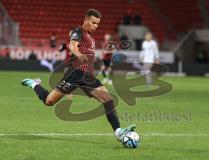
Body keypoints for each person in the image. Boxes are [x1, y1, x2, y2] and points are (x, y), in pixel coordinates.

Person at [21, 9, 135, 143]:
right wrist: (81, 57)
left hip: (88, 77)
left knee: (108, 99)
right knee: (49, 102)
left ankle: (118, 132)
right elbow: (73, 46)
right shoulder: (78, 31)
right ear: (86, 19)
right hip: (74, 74)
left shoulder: (92, 39)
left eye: (97, 24)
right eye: (93, 22)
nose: (95, 26)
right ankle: (34, 84)